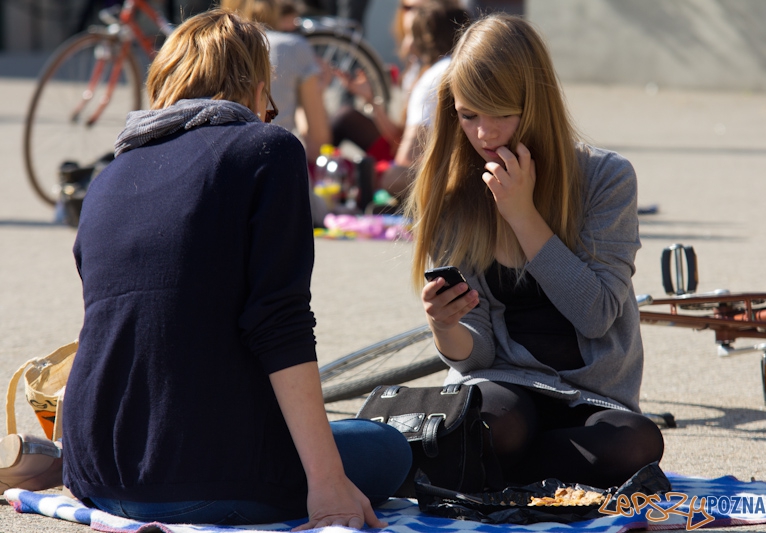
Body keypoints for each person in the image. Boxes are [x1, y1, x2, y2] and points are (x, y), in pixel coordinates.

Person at [37, 9, 408, 528]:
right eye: (271, 104)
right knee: (387, 447)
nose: (270, 114)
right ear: (257, 89)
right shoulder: (266, 149)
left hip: (95, 474)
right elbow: (280, 322)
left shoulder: (109, 176)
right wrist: (326, 484)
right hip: (207, 477)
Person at [406, 13, 664, 489]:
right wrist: (444, 325)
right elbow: (475, 355)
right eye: (468, 116)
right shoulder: (453, 193)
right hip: (503, 385)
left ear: (536, 103)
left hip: (593, 397)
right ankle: (501, 465)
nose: (485, 134)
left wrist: (522, 214)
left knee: (637, 445)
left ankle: (485, 472)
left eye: (502, 113)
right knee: (495, 426)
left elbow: (596, 315)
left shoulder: (606, 178)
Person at [330, 0, 468, 199]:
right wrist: (371, 100)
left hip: (442, 175)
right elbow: (402, 138)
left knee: (383, 175)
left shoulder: (431, 79)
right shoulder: (458, 66)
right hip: (462, 168)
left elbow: (404, 160)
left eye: (412, 33)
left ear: (424, 37)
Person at [220, 0, 332, 226]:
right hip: (274, 175)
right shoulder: (293, 46)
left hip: (219, 173)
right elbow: (318, 141)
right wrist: (315, 93)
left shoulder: (216, 43)